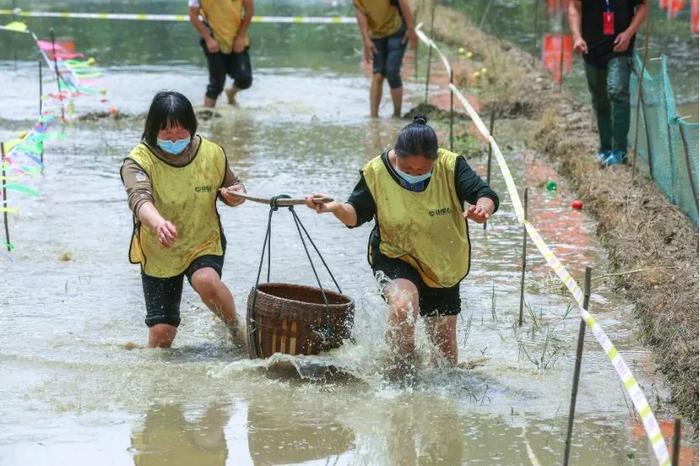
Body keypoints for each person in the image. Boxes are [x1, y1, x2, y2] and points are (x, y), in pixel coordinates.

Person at [304, 116, 499, 367]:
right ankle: (397, 375)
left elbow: (485, 194)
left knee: (445, 358)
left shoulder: (451, 165)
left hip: (442, 260)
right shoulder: (376, 172)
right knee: (404, 306)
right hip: (394, 253)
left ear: (435, 160)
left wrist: (482, 210)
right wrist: (336, 207)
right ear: (396, 156)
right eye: (407, 170)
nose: (415, 175)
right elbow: (354, 215)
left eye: (423, 171)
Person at [120, 91, 246, 348]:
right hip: (159, 249)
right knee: (161, 336)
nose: (175, 139)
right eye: (167, 134)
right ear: (153, 130)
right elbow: (139, 199)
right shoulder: (138, 161)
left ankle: (235, 329)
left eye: (181, 133)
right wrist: (158, 223)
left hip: (203, 239)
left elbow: (236, 189)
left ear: (192, 127)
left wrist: (237, 196)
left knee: (206, 280)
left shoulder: (212, 154)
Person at [568, 0, 648, 166]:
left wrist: (628, 34)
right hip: (591, 48)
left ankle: (620, 152)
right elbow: (574, 6)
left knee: (617, 92)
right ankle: (605, 149)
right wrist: (576, 37)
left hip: (620, 46)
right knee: (600, 99)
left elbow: (642, 7)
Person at [353, 0, 419, 118]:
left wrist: (411, 30)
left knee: (392, 71)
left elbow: (402, 2)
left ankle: (397, 115)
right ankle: (373, 117)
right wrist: (366, 39)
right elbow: (360, 11)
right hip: (376, 34)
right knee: (378, 73)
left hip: (396, 30)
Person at [188, 0, 254, 108]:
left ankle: (231, 93)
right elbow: (193, 15)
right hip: (213, 39)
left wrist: (240, 36)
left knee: (245, 79)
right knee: (216, 84)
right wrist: (208, 39)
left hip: (237, 38)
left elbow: (249, 11)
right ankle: (206, 114)